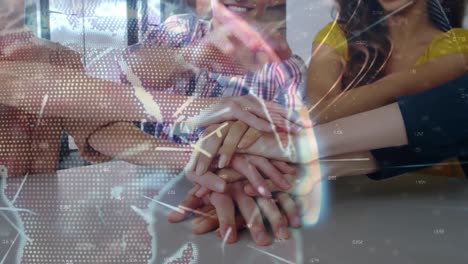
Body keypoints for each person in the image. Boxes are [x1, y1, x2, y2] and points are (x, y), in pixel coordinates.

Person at [168, 0, 468, 246]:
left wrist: (269, 139)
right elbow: (324, 108)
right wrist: (266, 164)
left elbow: (327, 112)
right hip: (344, 193)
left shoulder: (458, 45)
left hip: (435, 197)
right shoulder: (336, 36)